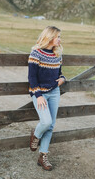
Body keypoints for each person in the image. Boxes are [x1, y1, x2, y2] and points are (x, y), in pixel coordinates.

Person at [28, 26, 66, 171]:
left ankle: (42, 156)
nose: (60, 39)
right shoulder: (36, 53)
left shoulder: (57, 54)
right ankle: (36, 134)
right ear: (50, 37)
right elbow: (32, 77)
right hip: (40, 93)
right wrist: (38, 95)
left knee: (50, 126)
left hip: (54, 92)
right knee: (46, 121)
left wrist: (62, 78)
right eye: (58, 37)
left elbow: (60, 73)